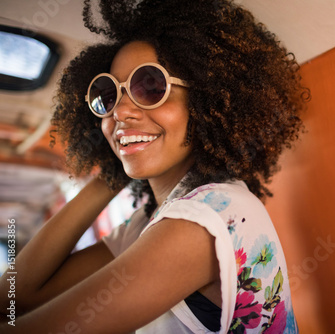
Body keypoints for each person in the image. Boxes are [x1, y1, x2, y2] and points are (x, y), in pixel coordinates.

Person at [0, 0, 308, 332]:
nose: (119, 111)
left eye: (150, 86)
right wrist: (114, 164)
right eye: (108, 95)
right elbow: (15, 297)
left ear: (206, 101)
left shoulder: (206, 218)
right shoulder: (150, 222)